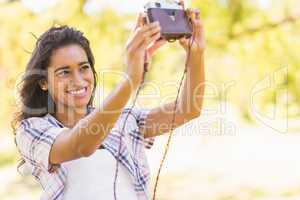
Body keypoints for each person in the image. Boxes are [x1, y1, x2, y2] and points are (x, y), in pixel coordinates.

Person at [12, 7, 205, 200]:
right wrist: (130, 78)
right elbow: (81, 144)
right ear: (43, 82)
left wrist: (196, 53)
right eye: (64, 72)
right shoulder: (32, 129)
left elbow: (187, 109)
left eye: (84, 68)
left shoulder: (121, 118)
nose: (78, 80)